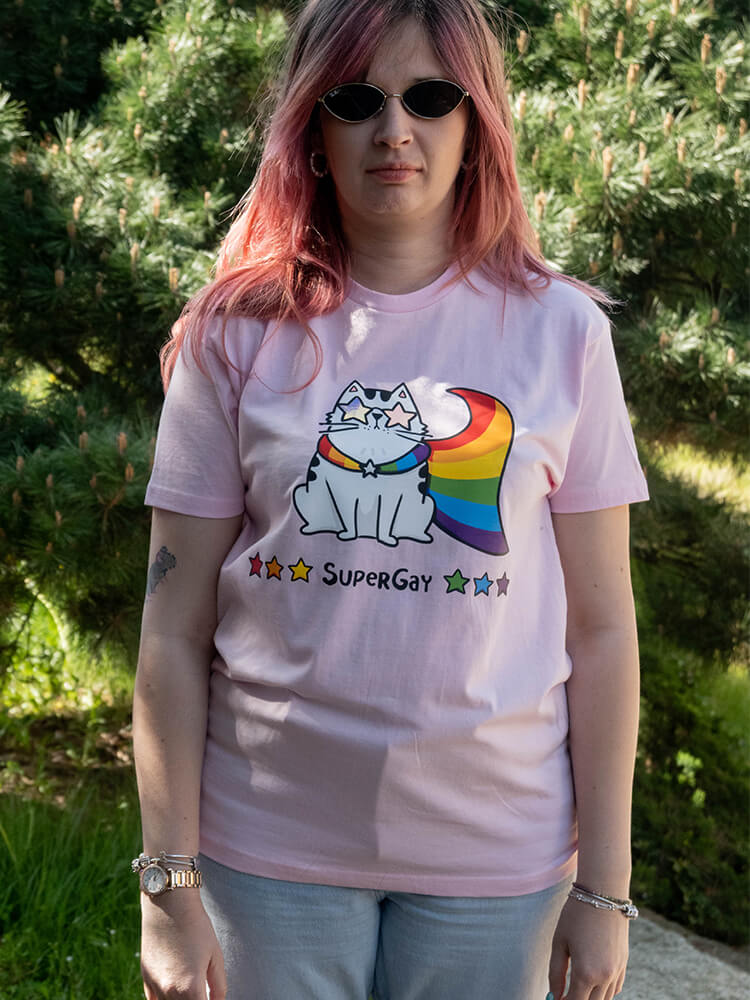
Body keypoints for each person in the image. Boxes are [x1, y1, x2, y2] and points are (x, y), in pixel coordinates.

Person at [132, 1, 649, 998]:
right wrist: (166, 883)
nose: (394, 128)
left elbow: (603, 631)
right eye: (357, 99)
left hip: (498, 865)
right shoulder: (233, 333)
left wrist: (607, 889)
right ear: (312, 128)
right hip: (265, 853)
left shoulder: (564, 333)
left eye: (430, 97)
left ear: (476, 122)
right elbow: (171, 626)